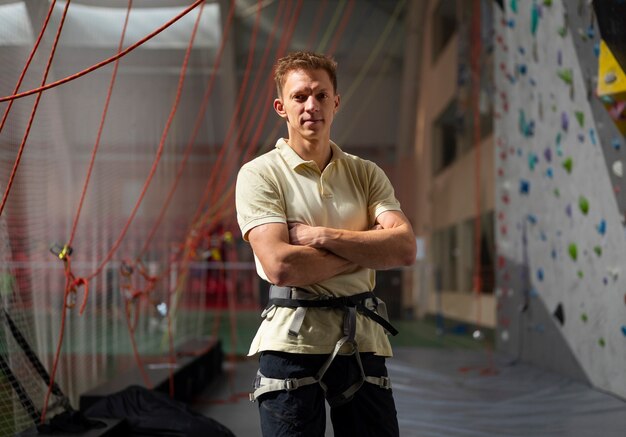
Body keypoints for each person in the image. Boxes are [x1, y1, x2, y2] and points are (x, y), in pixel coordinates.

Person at [235, 51, 416, 437]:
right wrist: (367, 251)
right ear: (281, 107)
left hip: (363, 340)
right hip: (291, 343)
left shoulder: (366, 174)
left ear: (336, 102)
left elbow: (402, 248)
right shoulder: (259, 174)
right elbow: (281, 266)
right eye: (300, 96)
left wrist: (321, 237)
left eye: (320, 95)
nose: (311, 106)